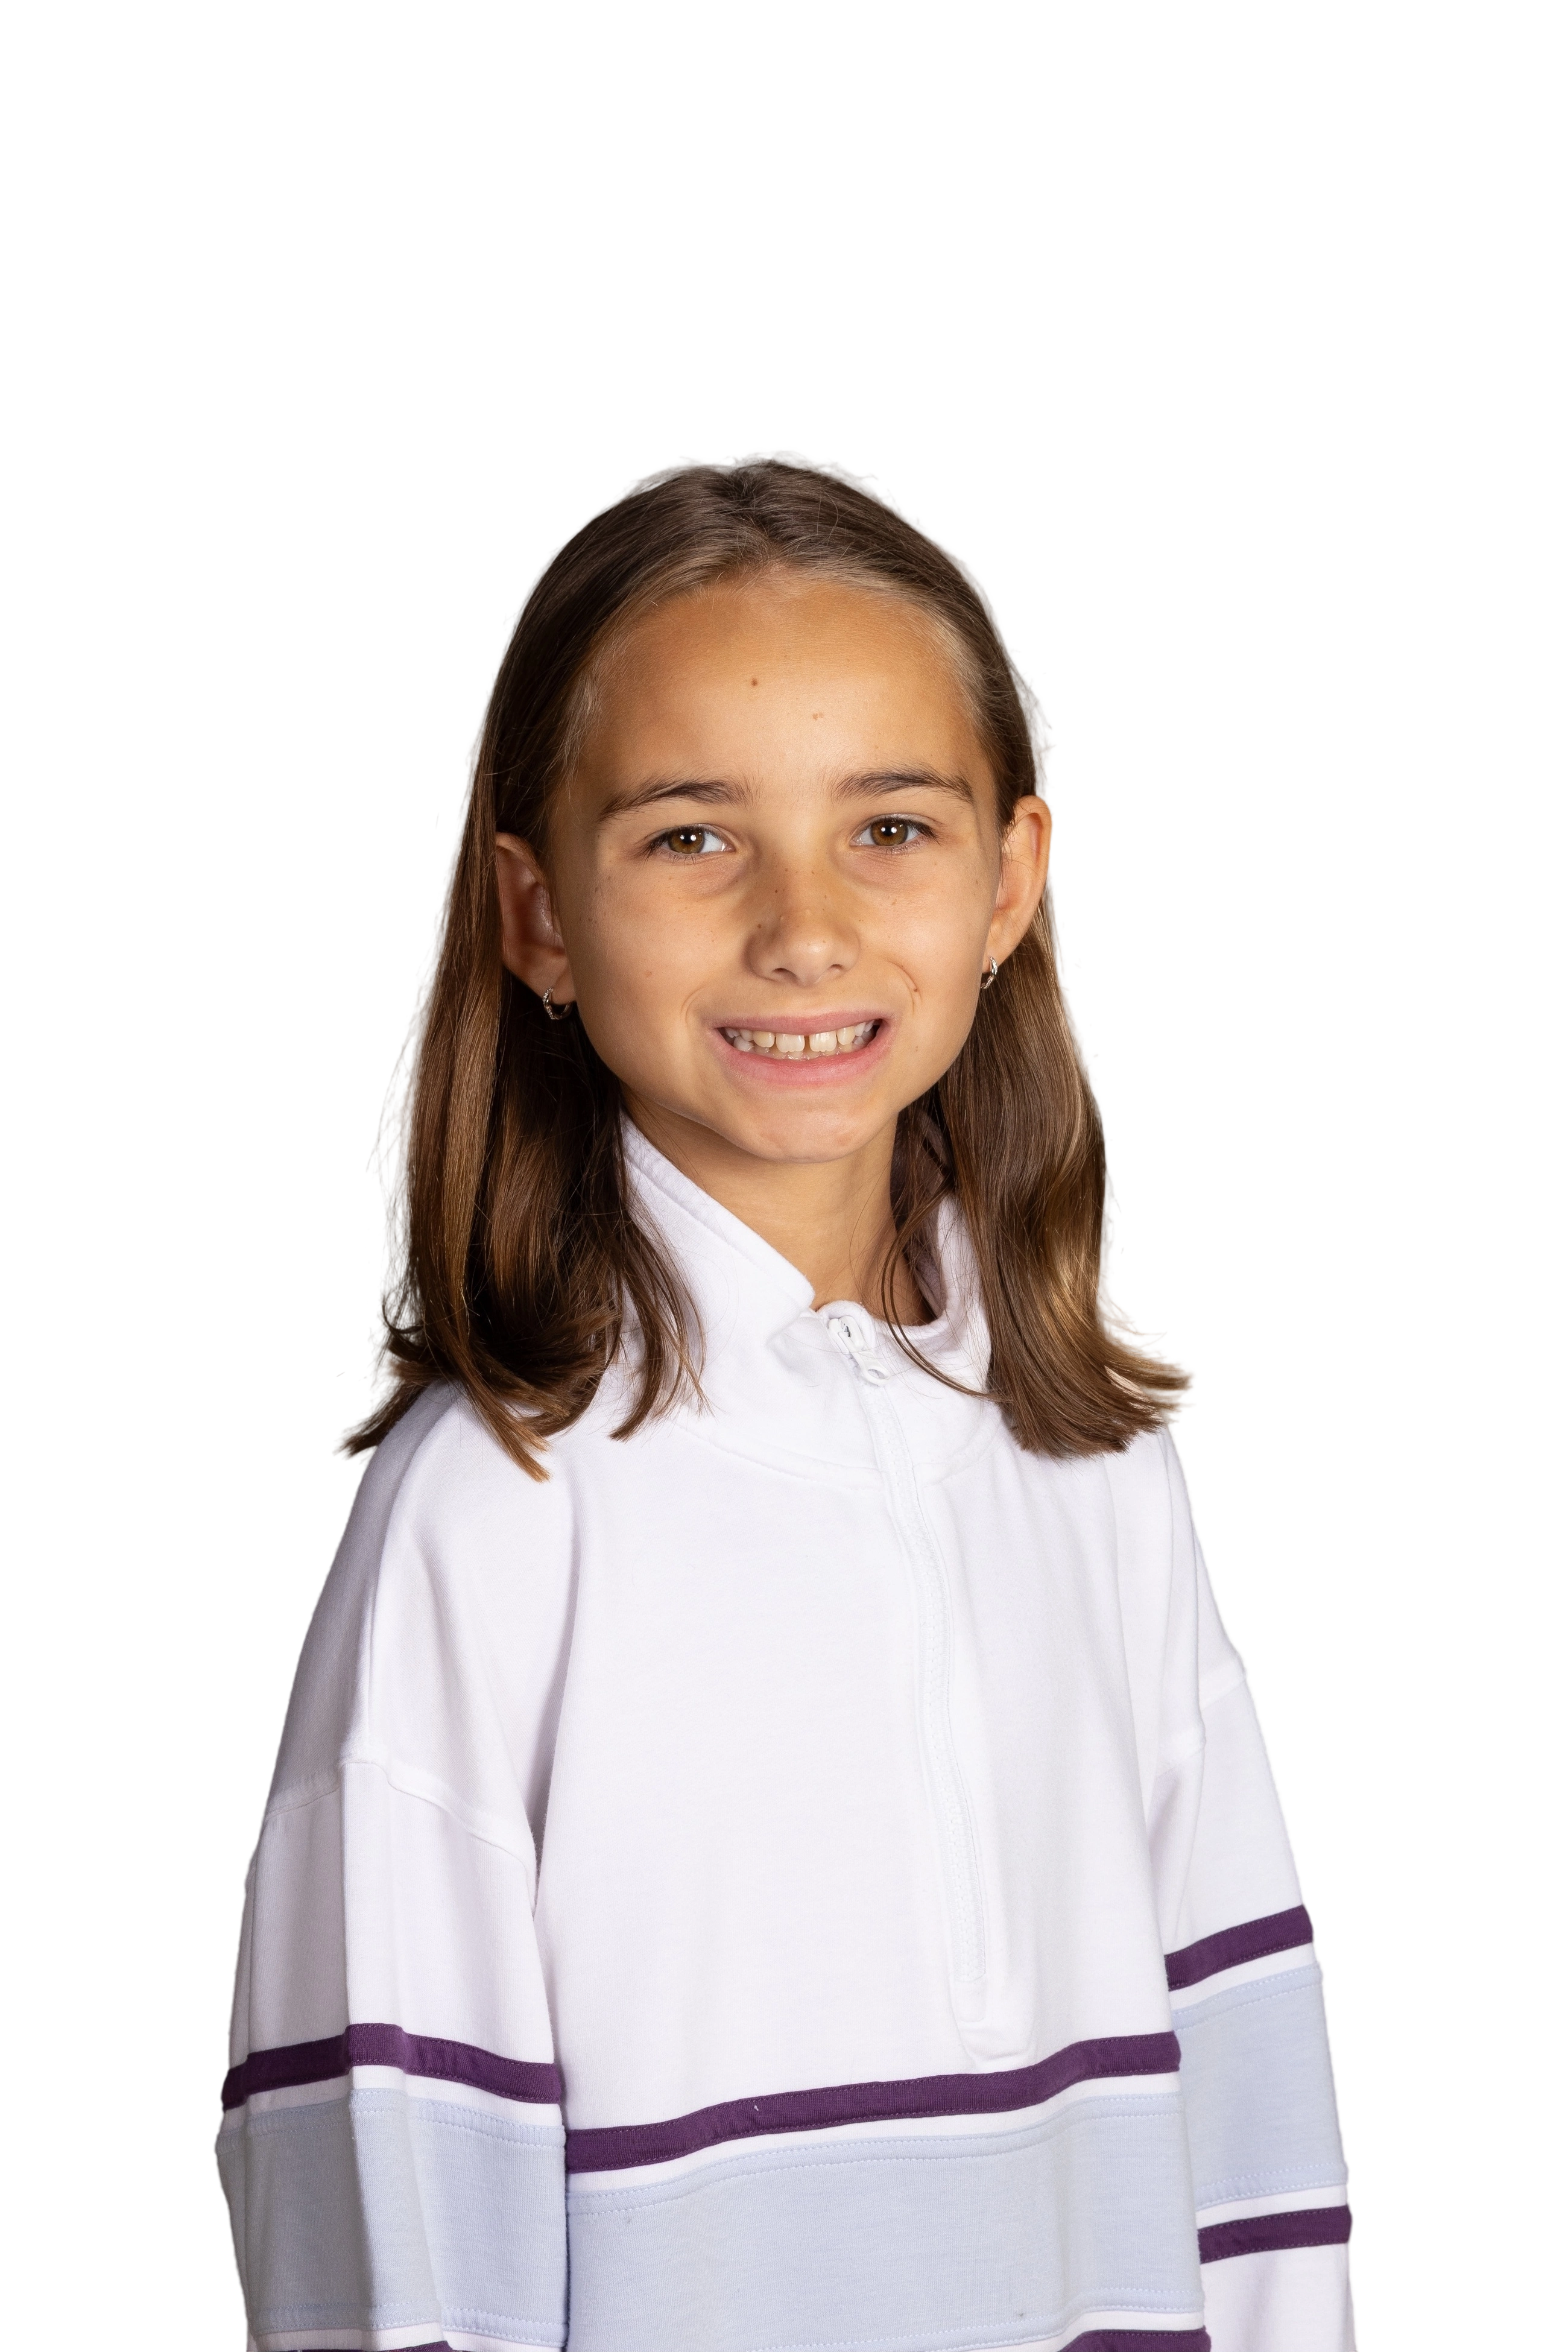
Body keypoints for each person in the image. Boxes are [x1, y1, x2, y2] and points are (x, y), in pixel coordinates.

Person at [214, 445, 1358, 2352]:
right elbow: (391, 2212)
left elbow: (1246, 2112)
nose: (804, 927)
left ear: (1013, 879)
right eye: (692, 836)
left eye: (890, 825)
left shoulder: (1090, 1449)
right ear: (537, 914)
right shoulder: (492, 1509)